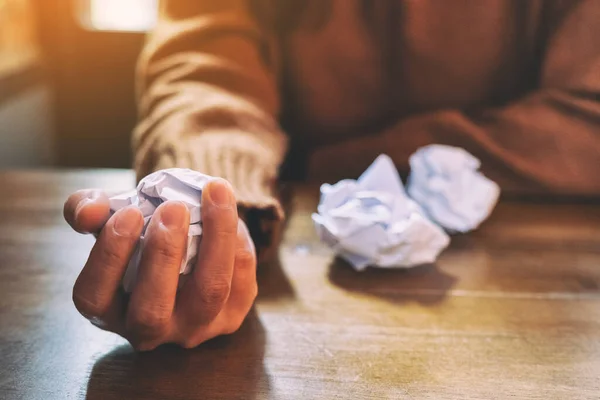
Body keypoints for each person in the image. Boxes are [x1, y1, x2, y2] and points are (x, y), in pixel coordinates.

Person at [63, 0, 600, 350]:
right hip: (293, 285)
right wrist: (218, 203)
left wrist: (322, 165)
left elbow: (586, 117)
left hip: (525, 312)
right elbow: (203, 64)